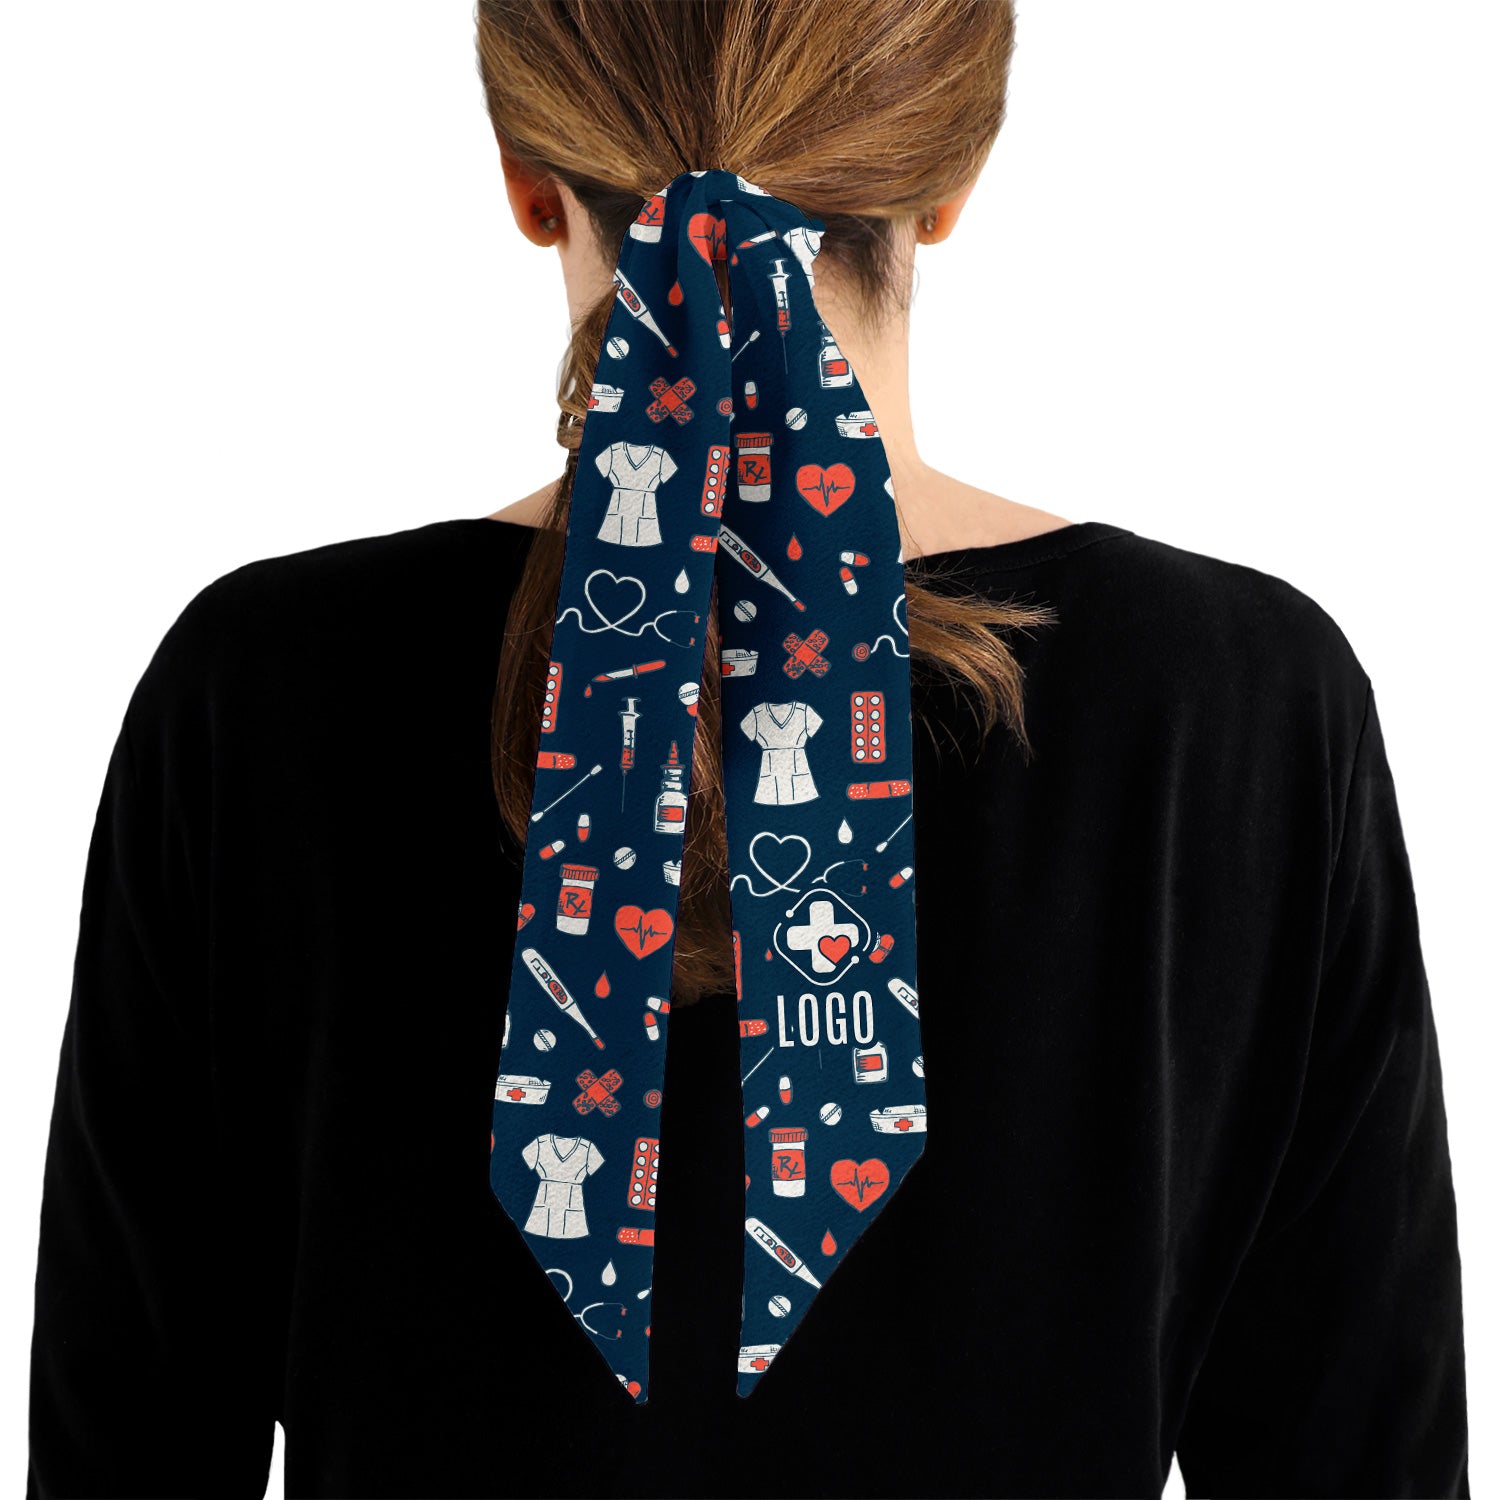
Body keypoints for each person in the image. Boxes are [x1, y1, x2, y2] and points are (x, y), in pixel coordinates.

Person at [25, 2, 1469, 1497]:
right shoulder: (1242, 706)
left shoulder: (254, 688)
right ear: (948, 176)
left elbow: (121, 1446)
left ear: (529, 177)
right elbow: (1358, 1450)